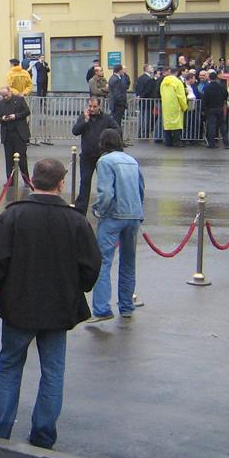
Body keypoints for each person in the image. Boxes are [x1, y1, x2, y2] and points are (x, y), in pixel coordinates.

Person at [0, 158, 100, 449]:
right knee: (53, 371)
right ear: (61, 184)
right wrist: (77, 288)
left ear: (33, 180)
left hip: (18, 303)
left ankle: (0, 427)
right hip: (59, 305)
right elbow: (91, 265)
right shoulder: (76, 221)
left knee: (9, 365)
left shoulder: (13, 216)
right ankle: (44, 432)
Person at [88, 129, 144, 321]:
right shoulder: (132, 160)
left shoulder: (105, 161)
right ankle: (126, 306)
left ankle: (102, 309)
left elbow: (106, 193)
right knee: (128, 262)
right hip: (133, 214)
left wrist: (98, 210)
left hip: (113, 215)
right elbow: (141, 188)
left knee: (103, 261)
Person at [71, 97, 120, 214]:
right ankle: (80, 210)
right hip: (87, 156)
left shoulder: (106, 118)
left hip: (102, 156)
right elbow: (75, 131)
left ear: (99, 106)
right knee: (85, 182)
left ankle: (107, 207)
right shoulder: (83, 117)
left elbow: (117, 129)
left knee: (105, 183)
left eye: (94, 107)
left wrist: (108, 138)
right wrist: (85, 121)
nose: (92, 109)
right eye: (90, 106)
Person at [0, 86, 30, 185]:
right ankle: (10, 181)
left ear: (10, 92)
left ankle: (27, 180)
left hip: (19, 134)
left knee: (22, 159)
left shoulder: (19, 100)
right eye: (3, 96)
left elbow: (27, 112)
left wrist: (15, 116)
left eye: (6, 95)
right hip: (7, 135)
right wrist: (2, 118)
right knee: (9, 160)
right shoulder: (0, 104)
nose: (5, 97)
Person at [159, 67, 187, 147]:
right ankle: (176, 141)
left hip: (166, 107)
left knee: (167, 125)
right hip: (176, 106)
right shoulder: (178, 82)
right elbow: (181, 96)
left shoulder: (163, 82)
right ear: (176, 73)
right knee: (177, 125)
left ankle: (168, 142)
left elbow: (161, 93)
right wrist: (184, 106)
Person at [201, 70, 229, 148]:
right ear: (216, 78)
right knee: (223, 126)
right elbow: (226, 94)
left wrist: (204, 109)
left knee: (211, 127)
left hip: (211, 109)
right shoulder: (221, 86)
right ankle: (226, 143)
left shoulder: (207, 87)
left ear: (209, 78)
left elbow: (204, 99)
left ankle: (212, 143)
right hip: (220, 108)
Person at [134, 64, 157, 138]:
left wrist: (139, 96)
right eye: (150, 67)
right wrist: (142, 96)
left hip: (141, 100)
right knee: (146, 118)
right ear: (146, 69)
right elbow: (148, 90)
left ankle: (140, 133)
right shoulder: (149, 79)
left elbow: (137, 88)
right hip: (147, 101)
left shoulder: (140, 78)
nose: (152, 68)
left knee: (142, 117)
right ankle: (144, 133)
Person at [107, 63, 129, 128]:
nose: (123, 71)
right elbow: (117, 94)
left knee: (117, 122)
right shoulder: (116, 80)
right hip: (117, 106)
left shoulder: (114, 78)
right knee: (117, 123)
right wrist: (122, 103)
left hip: (116, 105)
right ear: (120, 70)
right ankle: (117, 134)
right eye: (122, 70)